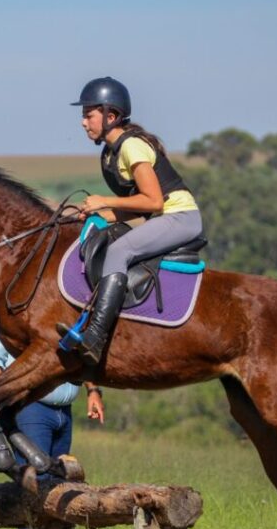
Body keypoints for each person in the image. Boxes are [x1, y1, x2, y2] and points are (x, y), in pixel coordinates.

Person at [59, 76, 204, 365]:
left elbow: (153, 201)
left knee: (119, 251)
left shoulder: (132, 147)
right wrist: (96, 214)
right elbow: (135, 209)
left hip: (180, 217)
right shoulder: (110, 153)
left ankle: (96, 338)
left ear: (110, 116)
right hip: (163, 218)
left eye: (89, 115)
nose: (83, 123)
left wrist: (106, 201)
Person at [0, 306, 105, 529]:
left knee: (58, 487)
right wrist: (7, 400)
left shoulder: (56, 304)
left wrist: (93, 390)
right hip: (30, 409)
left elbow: (82, 350)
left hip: (64, 413)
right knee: (35, 487)